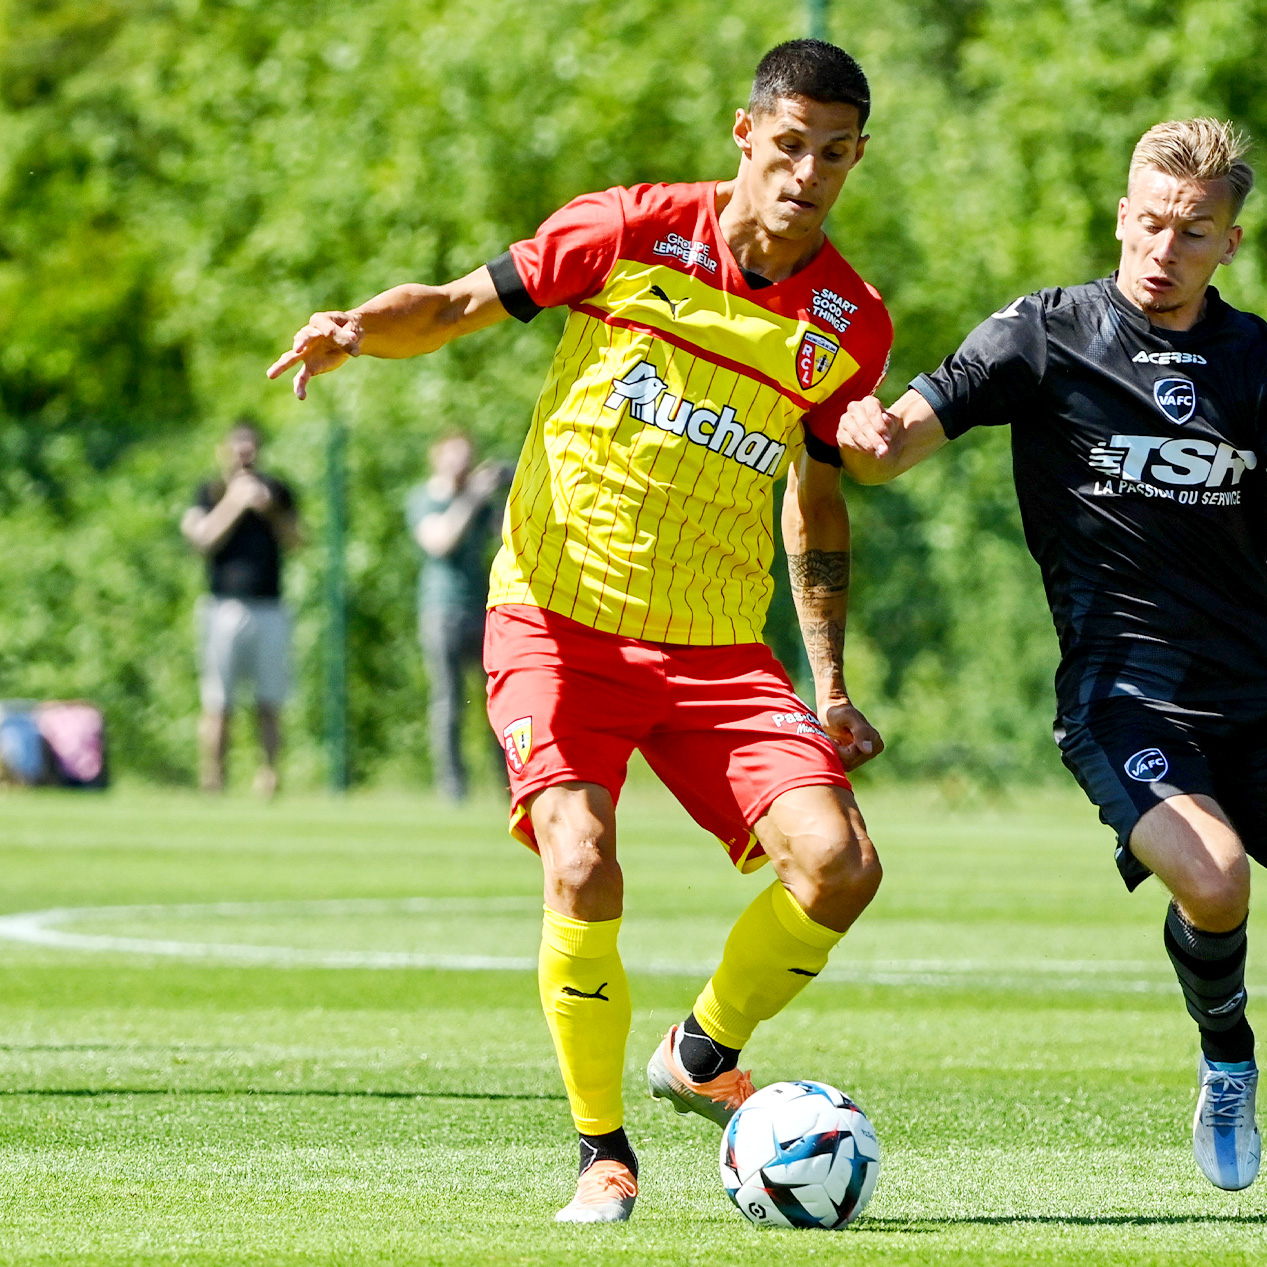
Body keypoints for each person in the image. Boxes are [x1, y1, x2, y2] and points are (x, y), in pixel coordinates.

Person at [267, 41, 891, 1224]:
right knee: (580, 857)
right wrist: (356, 330)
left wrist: (829, 677)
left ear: (855, 158)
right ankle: (604, 1150)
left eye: (835, 153)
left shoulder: (849, 322)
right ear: (744, 134)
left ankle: (701, 1051)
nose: (807, 172)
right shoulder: (629, 228)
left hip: (716, 646)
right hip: (556, 618)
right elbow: (453, 306)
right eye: (790, 143)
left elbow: (815, 498)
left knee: (842, 864)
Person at [839, 119, 1267, 1222]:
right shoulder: (1043, 334)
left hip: (1260, 692)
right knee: (1213, 877)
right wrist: (871, 436)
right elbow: (906, 434)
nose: (1164, 247)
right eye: (1149, 221)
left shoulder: (1259, 358)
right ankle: (1226, 1056)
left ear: (1228, 243)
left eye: (1192, 231)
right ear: (1120, 214)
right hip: (1121, 690)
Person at [180, 420, 299, 796]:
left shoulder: (278, 491)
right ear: (224, 450)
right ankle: (213, 778)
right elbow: (200, 539)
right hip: (222, 607)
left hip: (270, 606)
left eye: (250, 449)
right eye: (237, 448)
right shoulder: (209, 491)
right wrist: (235, 502)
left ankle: (269, 776)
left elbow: (298, 540)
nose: (244, 456)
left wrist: (270, 510)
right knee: (219, 702)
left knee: (270, 700)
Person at [406, 432, 510, 801]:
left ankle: (507, 783)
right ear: (437, 457)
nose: (460, 465)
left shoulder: (478, 502)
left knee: (498, 701)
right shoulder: (425, 499)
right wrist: (473, 496)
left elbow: (508, 534)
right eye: (453, 456)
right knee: (448, 702)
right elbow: (440, 541)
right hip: (441, 610)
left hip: (483, 608)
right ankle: (453, 786)